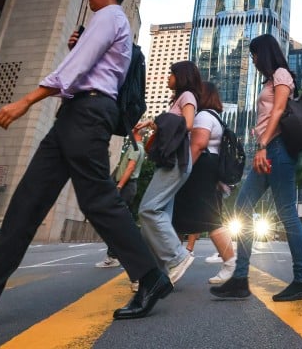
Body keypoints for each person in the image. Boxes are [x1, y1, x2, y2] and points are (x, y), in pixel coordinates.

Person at [0, 0, 171, 329]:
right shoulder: (106, 22)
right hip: (76, 113)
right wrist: (77, 48)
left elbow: (77, 69)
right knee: (25, 207)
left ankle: (150, 276)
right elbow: (86, 64)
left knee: (98, 199)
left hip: (88, 112)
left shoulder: (111, 15)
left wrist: (26, 101)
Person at [210, 34, 302, 302]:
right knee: (242, 207)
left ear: (265, 53)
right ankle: (240, 278)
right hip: (269, 149)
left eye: (255, 54)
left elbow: (278, 110)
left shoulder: (282, 75)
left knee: (287, 212)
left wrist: (263, 145)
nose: (253, 60)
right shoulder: (270, 79)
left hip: (277, 149)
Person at [135, 60, 201, 285]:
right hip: (171, 162)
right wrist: (152, 124)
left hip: (176, 162)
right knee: (161, 214)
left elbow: (188, 124)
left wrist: (159, 120)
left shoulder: (187, 97)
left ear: (181, 77)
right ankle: (159, 274)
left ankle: (178, 257)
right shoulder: (179, 99)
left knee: (148, 209)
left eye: (171, 74)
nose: (167, 77)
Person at [171, 82, 236, 284]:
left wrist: (183, 170)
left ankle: (231, 264)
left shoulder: (203, 116)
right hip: (210, 168)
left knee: (209, 218)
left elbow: (198, 145)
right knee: (196, 217)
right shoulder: (215, 117)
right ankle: (173, 261)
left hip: (201, 169)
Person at [97, 131, 147, 292]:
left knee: (119, 223)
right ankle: (113, 255)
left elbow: (130, 167)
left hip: (125, 185)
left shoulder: (135, 147)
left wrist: (119, 186)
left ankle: (118, 257)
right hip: (128, 186)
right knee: (120, 221)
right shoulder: (138, 147)